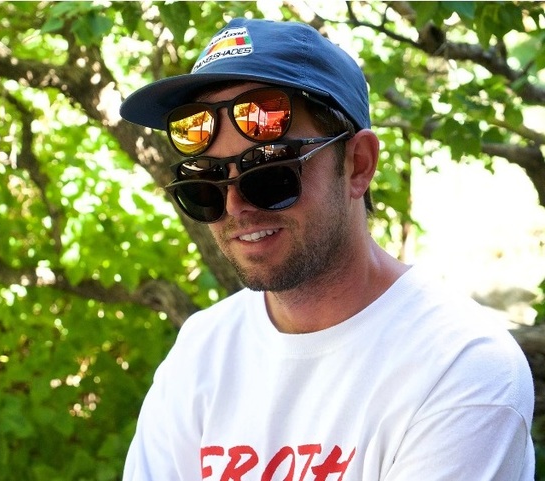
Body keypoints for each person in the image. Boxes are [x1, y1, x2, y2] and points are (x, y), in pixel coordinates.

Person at [119, 17, 535, 480]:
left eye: (270, 174)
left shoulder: (461, 363)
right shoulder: (201, 351)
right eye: (206, 185)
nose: (235, 208)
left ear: (358, 165)